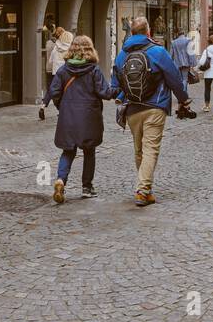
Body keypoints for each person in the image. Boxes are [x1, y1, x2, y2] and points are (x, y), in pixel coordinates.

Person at [112, 16, 191, 207]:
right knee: (151, 149)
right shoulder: (158, 51)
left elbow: (115, 85)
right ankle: (143, 190)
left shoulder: (121, 55)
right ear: (148, 32)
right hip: (155, 107)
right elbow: (174, 78)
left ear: (131, 33)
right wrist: (183, 99)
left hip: (132, 109)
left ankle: (145, 189)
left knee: (139, 150)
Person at [46, 35, 115, 202]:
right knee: (89, 151)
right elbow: (105, 93)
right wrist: (118, 90)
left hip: (68, 116)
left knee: (68, 150)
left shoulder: (63, 70)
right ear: (90, 50)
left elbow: (53, 91)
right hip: (89, 117)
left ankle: (61, 180)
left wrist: (61, 106)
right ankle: (87, 187)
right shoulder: (94, 70)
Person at [38, 23, 74, 121]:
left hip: (55, 72)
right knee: (65, 90)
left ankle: (43, 105)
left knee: (51, 89)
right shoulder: (70, 48)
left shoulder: (55, 47)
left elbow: (50, 60)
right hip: (67, 71)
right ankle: (62, 110)